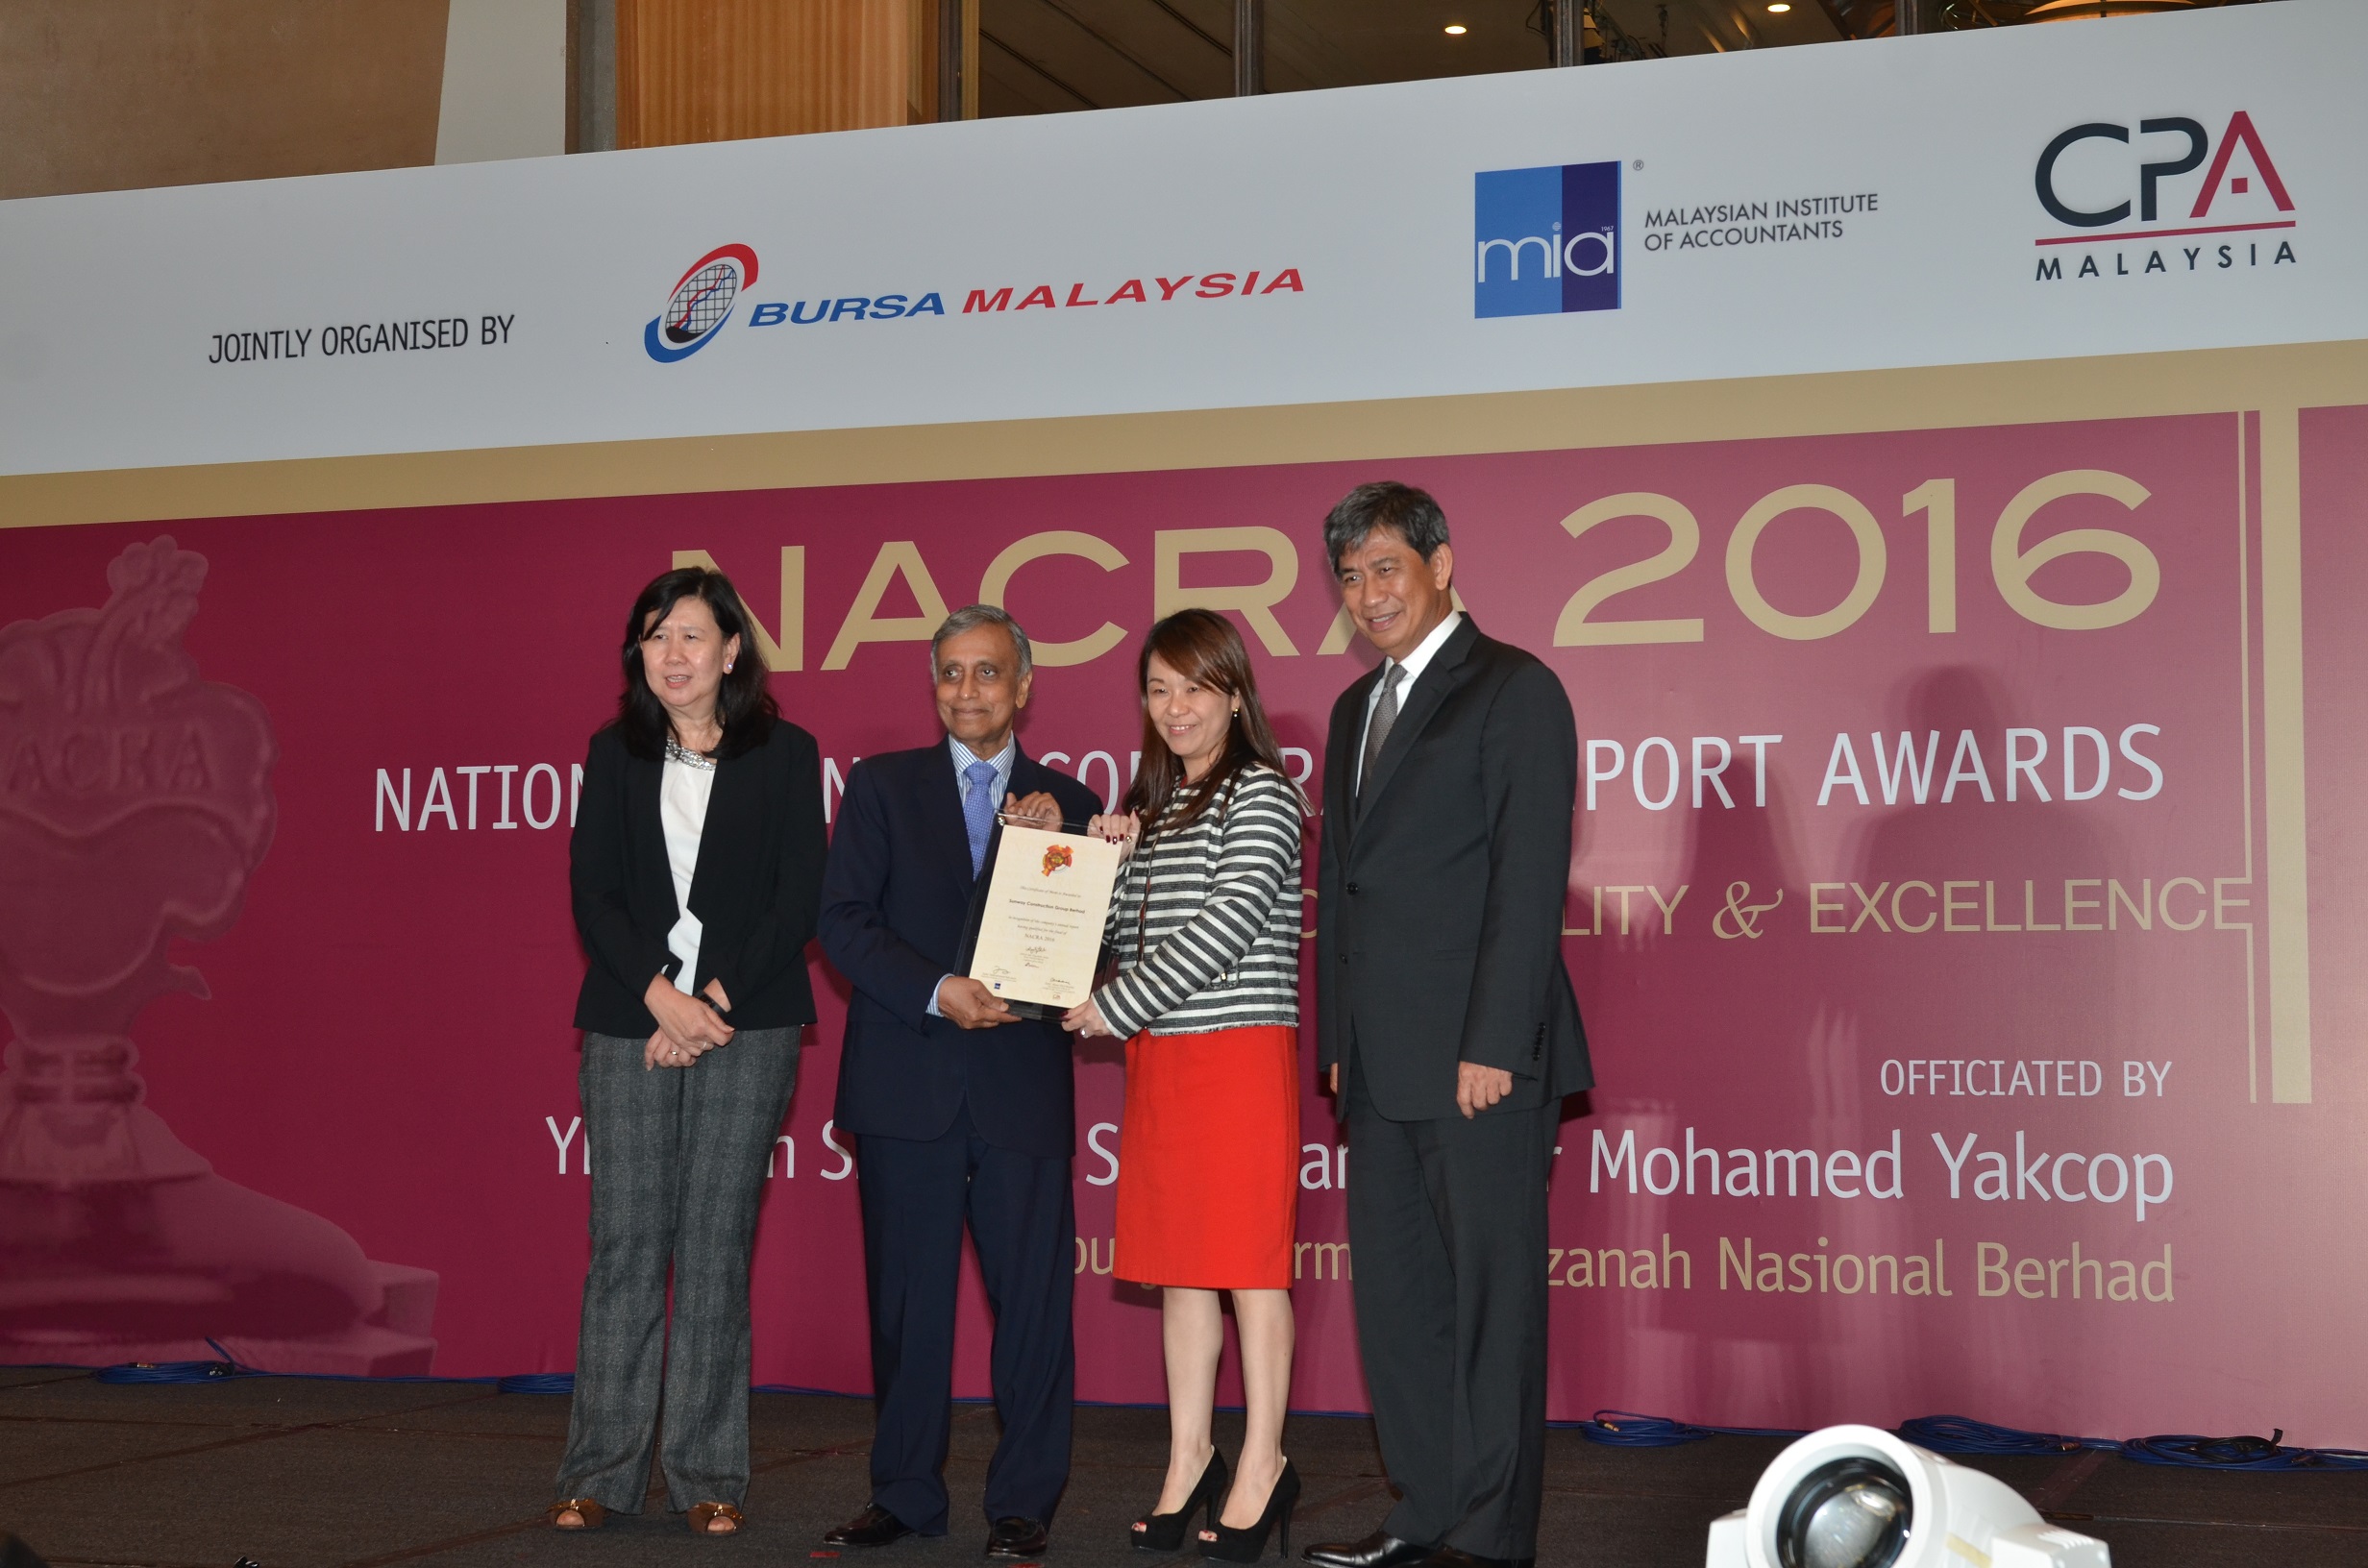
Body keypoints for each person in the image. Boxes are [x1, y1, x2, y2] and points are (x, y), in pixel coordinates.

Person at [1299, 483, 1589, 1568]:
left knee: (1490, 1310)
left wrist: (1494, 1043)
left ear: (1440, 565)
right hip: (1377, 1064)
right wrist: (1340, 1035)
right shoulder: (1350, 709)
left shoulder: (1514, 689)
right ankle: (1422, 1512)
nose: (1368, 595)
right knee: (1401, 1309)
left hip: (1480, 1062)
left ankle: (1487, 1535)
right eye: (1350, 577)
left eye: (1386, 569)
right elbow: (1346, 888)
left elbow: (1527, 884)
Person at [818, 604, 1102, 1560]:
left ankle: (1023, 1505)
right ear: (932, 684)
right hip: (907, 1082)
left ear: (1023, 686)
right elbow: (844, 922)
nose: (967, 690)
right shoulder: (880, 787)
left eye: (987, 673)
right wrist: (936, 990)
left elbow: (1094, 945)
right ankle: (902, 1496)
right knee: (905, 1307)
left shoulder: (1068, 797)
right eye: (950, 673)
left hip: (1020, 1086)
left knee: (1032, 1311)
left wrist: (1071, 855)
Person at [552, 566, 826, 1535]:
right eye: (655, 636)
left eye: (692, 636)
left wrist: (709, 1004)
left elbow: (799, 897)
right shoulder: (610, 752)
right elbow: (595, 895)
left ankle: (709, 1473)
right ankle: (598, 1471)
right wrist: (662, 1001)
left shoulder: (787, 754)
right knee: (626, 1246)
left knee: (713, 1248)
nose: (672, 654)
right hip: (633, 1016)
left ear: (733, 651)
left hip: (744, 1021)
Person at [1063, 609, 1307, 1563]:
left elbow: (1228, 926)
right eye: (1158, 690)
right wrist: (1112, 868)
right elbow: (1125, 938)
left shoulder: (1264, 794)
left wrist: (1112, 1008)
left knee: (1249, 1272)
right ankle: (1188, 1458)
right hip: (1162, 1061)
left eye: (1194, 688)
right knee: (1178, 1273)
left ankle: (1263, 1466)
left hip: (1238, 1056)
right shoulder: (1155, 805)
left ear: (1234, 693)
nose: (1175, 708)